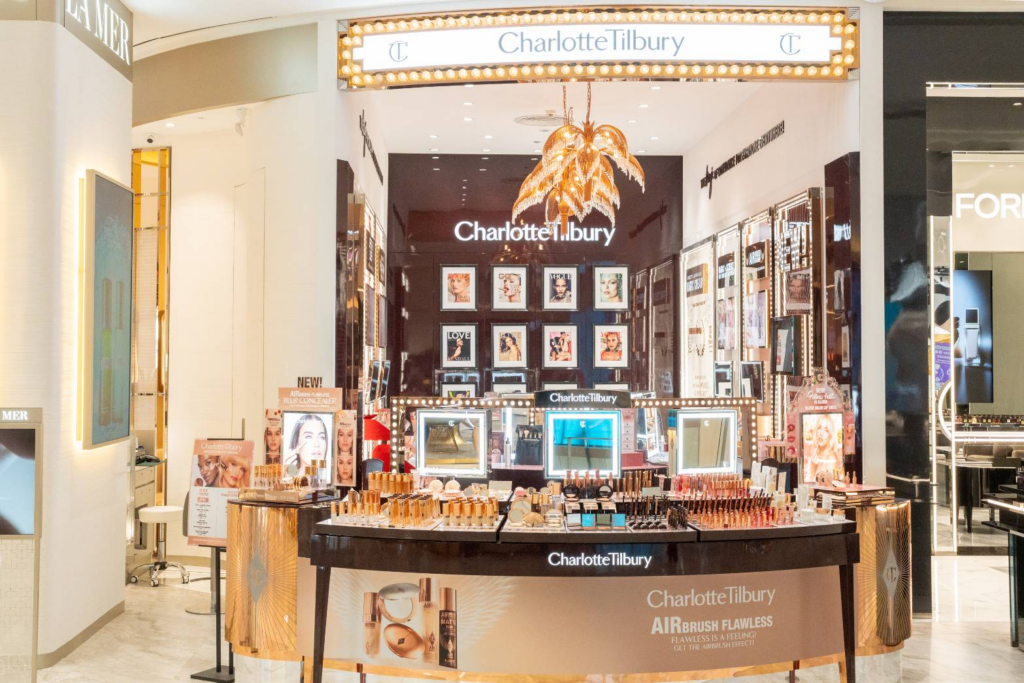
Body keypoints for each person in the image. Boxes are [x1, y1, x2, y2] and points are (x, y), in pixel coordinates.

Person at [803, 415, 843, 484]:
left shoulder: (831, 457)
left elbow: (828, 486)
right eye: (819, 428)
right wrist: (813, 465)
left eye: (826, 430)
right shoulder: (815, 454)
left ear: (830, 435)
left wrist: (813, 467)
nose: (821, 433)